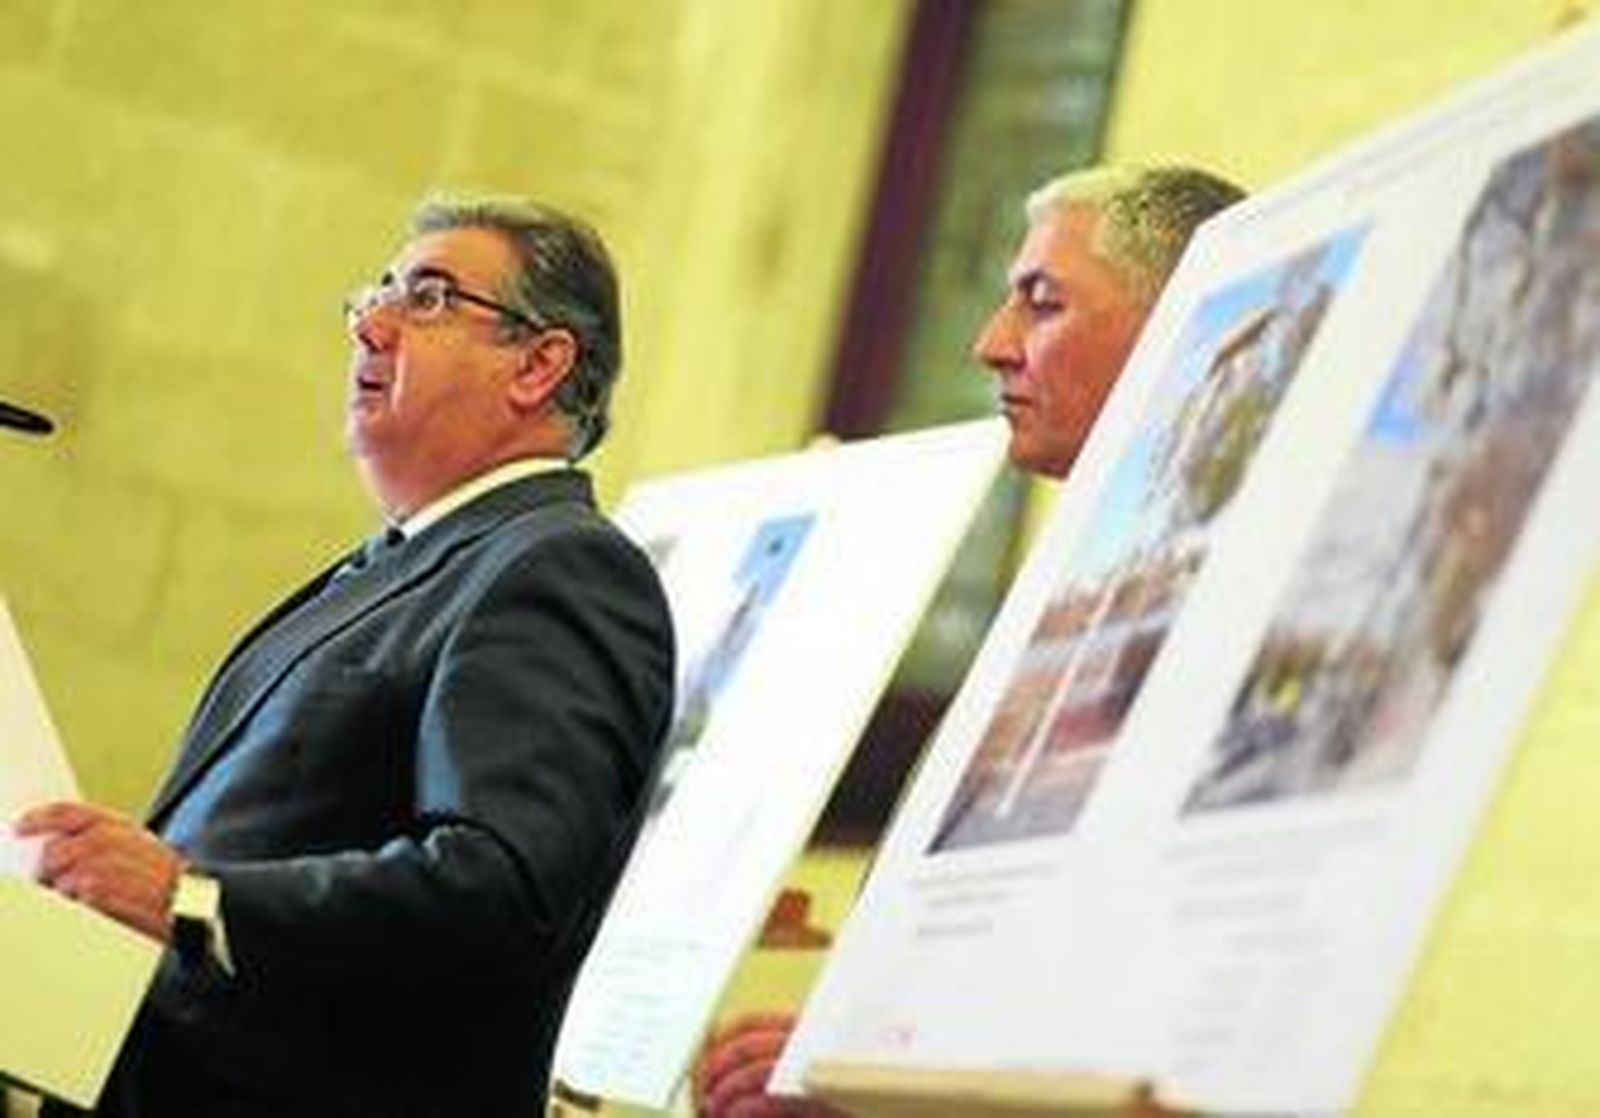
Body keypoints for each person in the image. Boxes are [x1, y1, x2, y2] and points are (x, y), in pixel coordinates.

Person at [18, 197, 676, 1117]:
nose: (371, 322)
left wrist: (194, 895)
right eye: (377, 293)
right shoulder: (396, 567)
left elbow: (503, 890)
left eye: (431, 298)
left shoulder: (559, 566)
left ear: (538, 364)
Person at [692, 164, 1244, 1118]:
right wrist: (845, 1064)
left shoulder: (1235, 589)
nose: (991, 345)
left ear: (1183, 314)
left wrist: (868, 1070)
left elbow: (1140, 989)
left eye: (1042, 304)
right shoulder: (1084, 579)